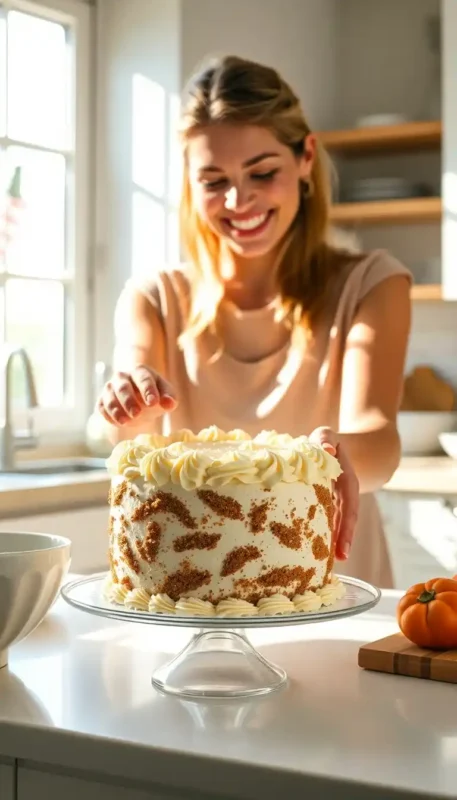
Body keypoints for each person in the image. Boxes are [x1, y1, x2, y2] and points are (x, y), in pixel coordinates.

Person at [97, 55, 411, 588]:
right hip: (193, 592)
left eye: (262, 173)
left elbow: (380, 441)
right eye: (214, 180)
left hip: (332, 580)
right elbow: (128, 434)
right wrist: (127, 404)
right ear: (189, 183)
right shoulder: (153, 297)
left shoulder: (372, 284)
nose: (239, 202)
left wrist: (336, 455)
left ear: (305, 157)